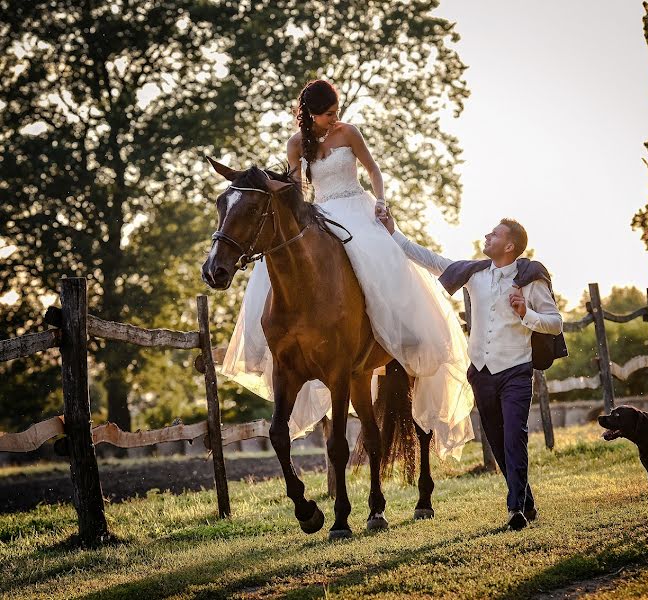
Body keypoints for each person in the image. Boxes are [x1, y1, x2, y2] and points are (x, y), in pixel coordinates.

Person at [219, 79, 475, 460]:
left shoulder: (349, 134)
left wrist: (382, 202)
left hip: (358, 208)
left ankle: (400, 334)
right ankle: (274, 346)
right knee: (270, 275)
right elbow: (294, 187)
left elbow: (373, 171)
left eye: (336, 113)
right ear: (310, 115)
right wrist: (257, 182)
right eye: (328, 115)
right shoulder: (296, 144)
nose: (334, 120)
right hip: (320, 213)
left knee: (381, 261)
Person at [379, 211, 564, 531]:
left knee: (513, 437)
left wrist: (526, 313)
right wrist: (395, 233)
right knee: (496, 439)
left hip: (516, 372)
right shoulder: (475, 274)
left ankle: (515, 509)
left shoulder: (530, 279)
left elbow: (555, 322)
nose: (487, 236)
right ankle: (527, 501)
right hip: (481, 373)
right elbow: (431, 259)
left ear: (510, 245)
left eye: (495, 234)